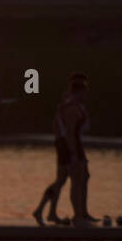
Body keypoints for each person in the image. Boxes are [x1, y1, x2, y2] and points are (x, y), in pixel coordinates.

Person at [34, 73, 95, 226]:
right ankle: (78, 217)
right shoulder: (71, 107)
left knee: (69, 179)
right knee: (77, 179)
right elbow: (68, 132)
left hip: (70, 144)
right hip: (69, 145)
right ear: (78, 90)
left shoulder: (72, 103)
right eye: (85, 89)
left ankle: (48, 212)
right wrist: (73, 153)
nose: (87, 93)